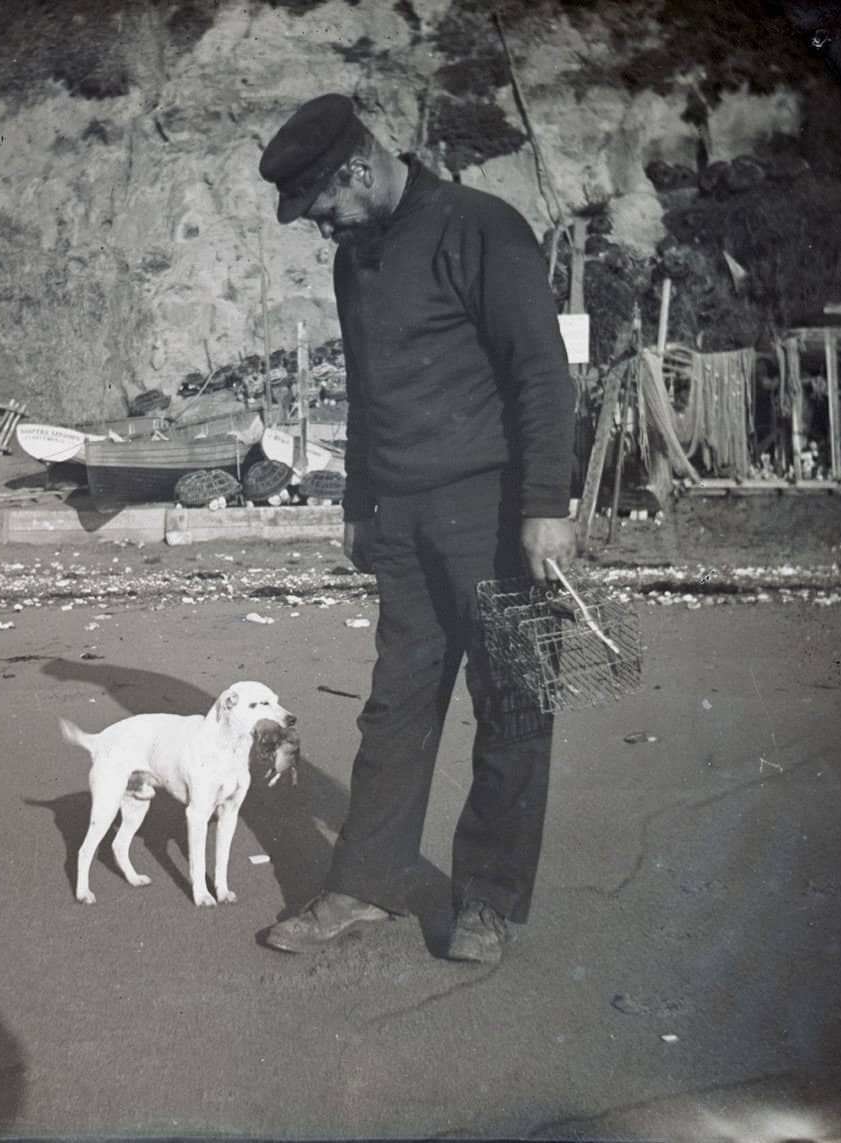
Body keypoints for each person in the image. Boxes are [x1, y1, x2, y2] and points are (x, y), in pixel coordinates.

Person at [257, 95, 577, 964]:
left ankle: (487, 902)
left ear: (360, 168)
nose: (323, 229)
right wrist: (358, 504)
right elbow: (366, 390)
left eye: (324, 207)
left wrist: (547, 506)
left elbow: (542, 374)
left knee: (512, 704)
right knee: (395, 707)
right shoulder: (354, 258)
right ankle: (364, 883)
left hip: (494, 512)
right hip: (400, 518)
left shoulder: (483, 227)